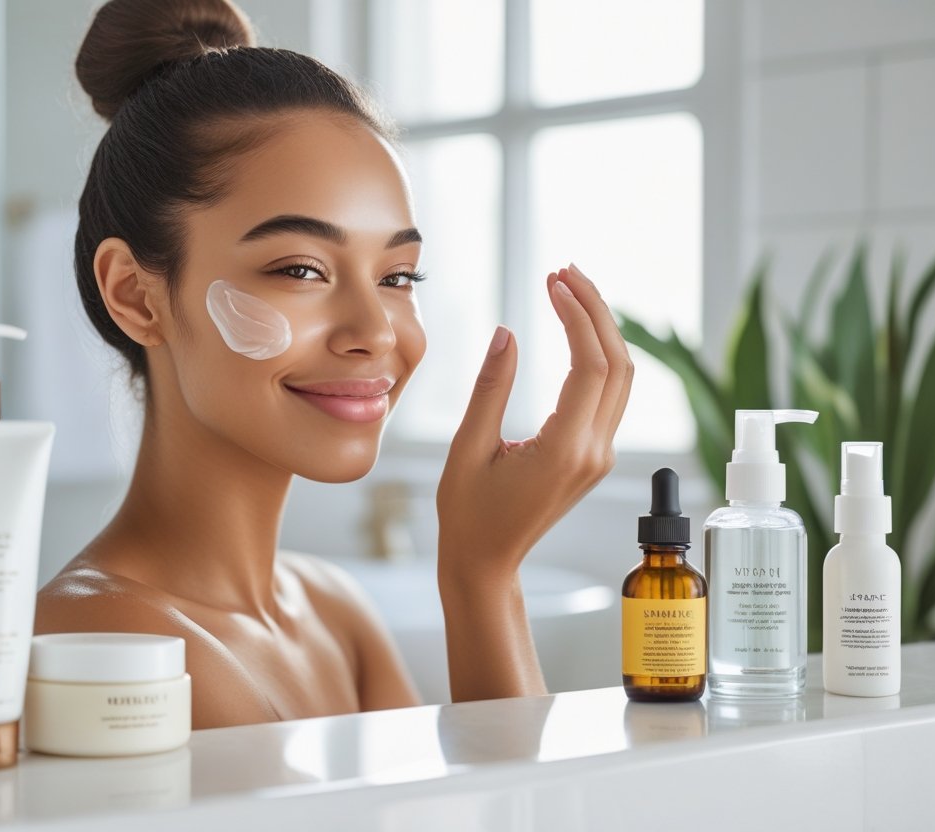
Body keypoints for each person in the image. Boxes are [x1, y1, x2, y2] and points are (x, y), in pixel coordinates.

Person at [35, 0, 634, 729]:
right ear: (136, 296)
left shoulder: (332, 613)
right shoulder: (102, 645)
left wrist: (485, 572)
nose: (375, 331)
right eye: (301, 269)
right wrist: (479, 581)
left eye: (398, 276)